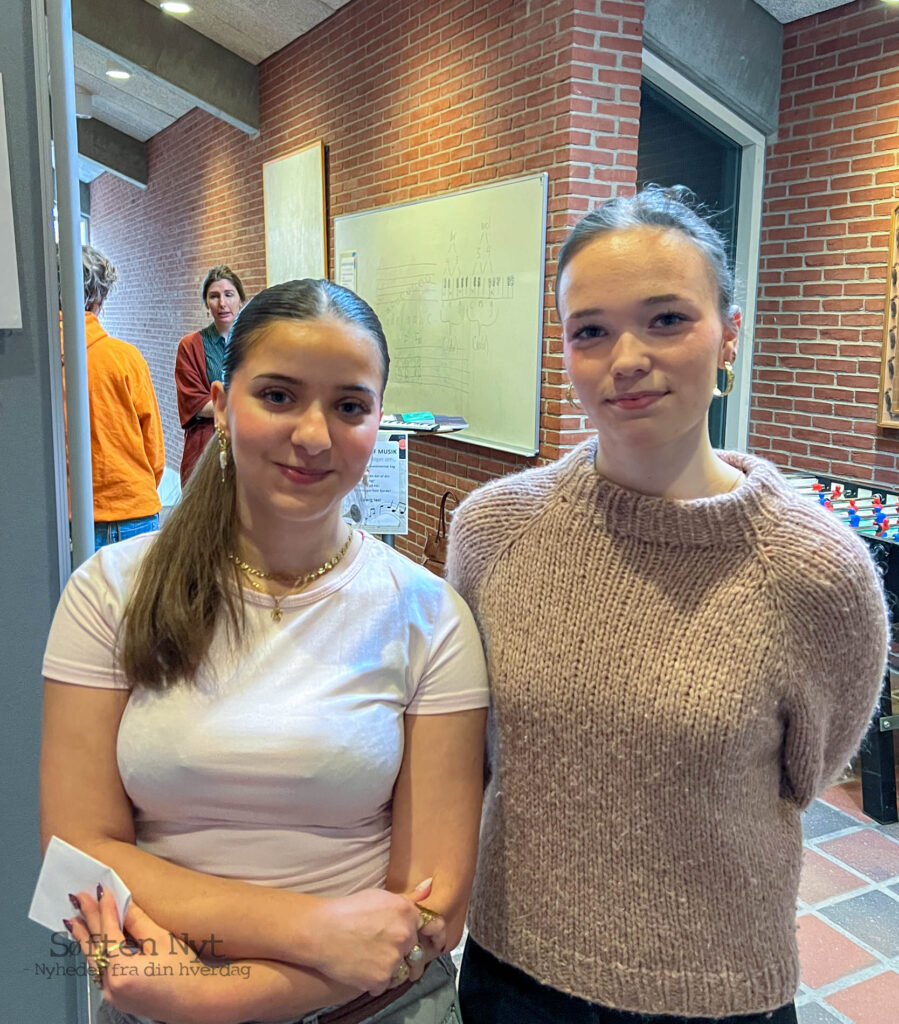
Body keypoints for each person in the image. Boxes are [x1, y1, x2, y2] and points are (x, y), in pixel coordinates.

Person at [447, 186, 889, 1024]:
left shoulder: (815, 571)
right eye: (591, 330)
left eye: (665, 320)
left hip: (715, 990)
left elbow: (811, 772)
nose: (626, 358)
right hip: (515, 976)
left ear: (728, 335)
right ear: (566, 351)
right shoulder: (491, 532)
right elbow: (472, 753)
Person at [41, 279, 488, 1024]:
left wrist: (219, 994)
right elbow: (76, 854)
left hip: (374, 1009)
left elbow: (433, 908)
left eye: (349, 406)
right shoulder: (110, 592)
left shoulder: (428, 613)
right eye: (278, 396)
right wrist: (311, 932)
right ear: (219, 403)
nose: (313, 435)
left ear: (380, 420)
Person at [77, 246, 166, 550]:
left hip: (68, 521)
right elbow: (153, 448)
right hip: (132, 513)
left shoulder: (37, 366)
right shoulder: (125, 359)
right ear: (99, 299)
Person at [175, 265, 246, 484]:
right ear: (207, 304)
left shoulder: (254, 343)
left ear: (240, 300)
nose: (222, 303)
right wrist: (244, 401)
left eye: (229, 295)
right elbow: (195, 403)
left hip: (248, 446)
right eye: (214, 296)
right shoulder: (190, 346)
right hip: (206, 450)